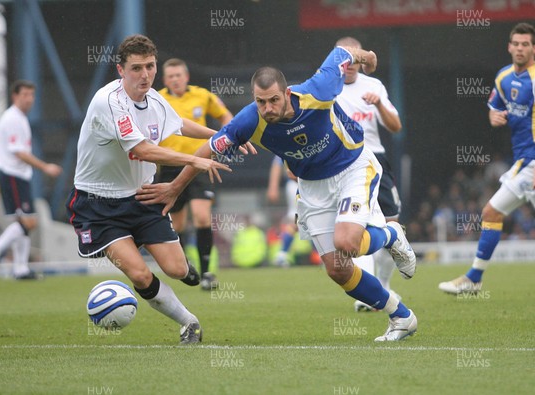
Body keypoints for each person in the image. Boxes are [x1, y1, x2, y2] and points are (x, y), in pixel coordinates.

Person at [138, 44, 419, 341]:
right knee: (338, 269)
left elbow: (342, 52)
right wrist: (175, 186)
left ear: (286, 93)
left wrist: (368, 58)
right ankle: (401, 317)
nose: (268, 108)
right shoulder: (249, 120)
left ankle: (391, 234)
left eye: (273, 100)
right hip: (311, 187)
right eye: (261, 102)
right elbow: (208, 149)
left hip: (352, 168)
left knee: (346, 243)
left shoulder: (318, 89)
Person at [65, 35, 235, 344]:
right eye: (137, 68)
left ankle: (186, 272)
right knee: (141, 275)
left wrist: (225, 136)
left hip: (142, 196)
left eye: (150, 66)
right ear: (121, 70)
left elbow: (180, 124)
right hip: (98, 205)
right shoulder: (110, 102)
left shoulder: (154, 99)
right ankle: (188, 323)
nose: (145, 75)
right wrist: (194, 161)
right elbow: (142, 150)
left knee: (176, 268)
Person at [439, 23, 535, 294]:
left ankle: (474, 277)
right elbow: (496, 108)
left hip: (532, 163)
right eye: (516, 43)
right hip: (523, 164)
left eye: (525, 44)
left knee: (492, 212)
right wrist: (494, 116)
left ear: (533, 48)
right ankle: (474, 277)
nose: (519, 48)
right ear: (509, 46)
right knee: (492, 213)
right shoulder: (504, 77)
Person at [335, 36, 404, 312]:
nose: (350, 63)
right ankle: (368, 293)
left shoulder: (373, 85)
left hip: (376, 158)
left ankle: (383, 286)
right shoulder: (327, 88)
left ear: (362, 59)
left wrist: (378, 105)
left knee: (392, 223)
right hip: (345, 162)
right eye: (345, 58)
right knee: (356, 225)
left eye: (355, 58)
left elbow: (396, 126)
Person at [158, 58, 234, 290]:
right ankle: (185, 268)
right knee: (177, 225)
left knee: (202, 217)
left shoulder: (202, 95)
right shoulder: (158, 99)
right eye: (170, 76)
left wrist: (228, 135)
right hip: (169, 166)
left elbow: (224, 115)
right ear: (165, 80)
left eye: (178, 75)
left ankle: (207, 272)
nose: (175, 79)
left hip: (200, 164)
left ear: (186, 77)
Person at [0, 80, 62, 279]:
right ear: (15, 96)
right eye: (25, 94)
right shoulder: (12, 119)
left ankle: (20, 269)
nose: (29, 99)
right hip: (12, 175)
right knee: (29, 221)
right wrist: (45, 167)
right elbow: (19, 152)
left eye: (32, 95)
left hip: (16, 175)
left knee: (22, 222)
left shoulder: (19, 118)